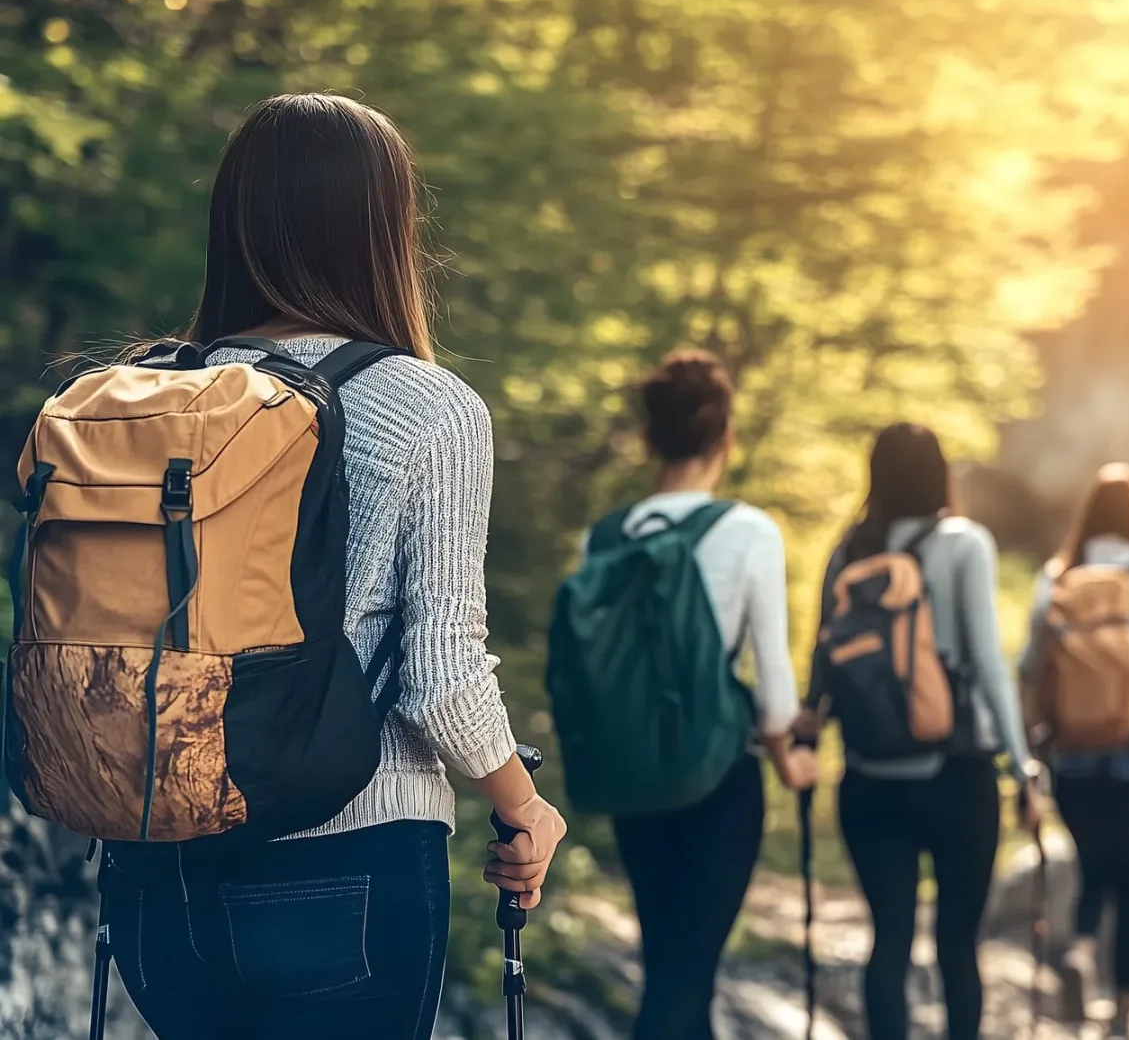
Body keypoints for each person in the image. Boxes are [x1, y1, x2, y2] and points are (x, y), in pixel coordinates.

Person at [95, 94, 567, 1039]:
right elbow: (442, 680)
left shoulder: (151, 398)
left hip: (156, 874)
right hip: (347, 872)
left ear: (235, 223)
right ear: (383, 230)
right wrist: (525, 805)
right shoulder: (427, 408)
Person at [591, 349, 817, 1040]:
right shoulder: (748, 532)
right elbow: (775, 694)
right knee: (685, 980)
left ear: (649, 437)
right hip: (717, 781)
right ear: (727, 436)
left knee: (668, 962)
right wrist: (790, 761)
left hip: (634, 780)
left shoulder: (606, 536)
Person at [807, 422, 1039, 1040]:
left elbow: (822, 661)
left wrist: (806, 740)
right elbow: (988, 662)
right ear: (940, 475)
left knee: (889, 942)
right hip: (957, 773)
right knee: (958, 945)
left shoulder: (848, 551)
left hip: (867, 775)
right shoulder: (963, 544)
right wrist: (1023, 767)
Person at [1018, 463, 1129, 1038]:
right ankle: (1122, 1014)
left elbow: (1030, 670)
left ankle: (1082, 947)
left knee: (1092, 869)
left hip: (1073, 758)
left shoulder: (1056, 580)